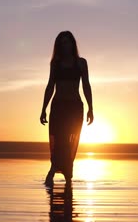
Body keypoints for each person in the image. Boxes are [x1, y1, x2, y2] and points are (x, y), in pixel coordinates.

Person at [40, 30, 94, 186]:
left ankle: (68, 175)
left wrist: (91, 108)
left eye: (68, 42)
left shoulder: (81, 63)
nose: (65, 45)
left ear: (72, 44)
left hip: (75, 108)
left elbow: (86, 85)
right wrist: (43, 108)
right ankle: (54, 171)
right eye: (62, 43)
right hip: (58, 107)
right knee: (59, 140)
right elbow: (50, 85)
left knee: (70, 142)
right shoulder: (55, 64)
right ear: (59, 46)